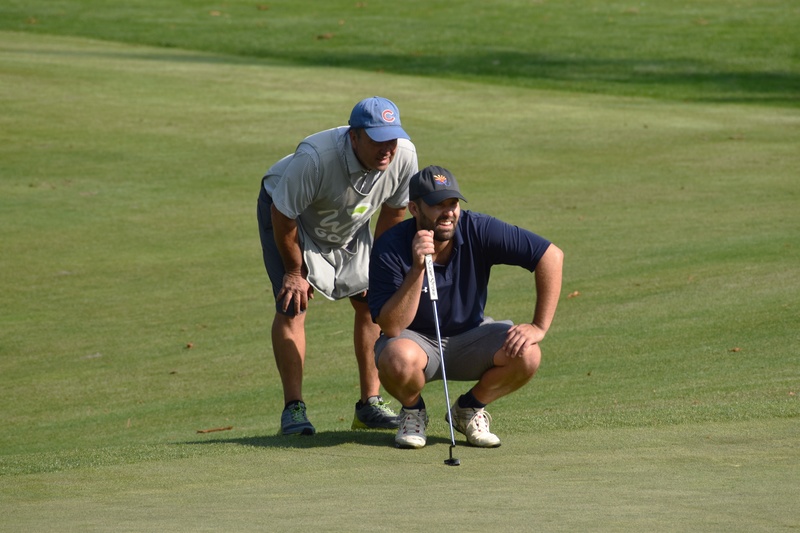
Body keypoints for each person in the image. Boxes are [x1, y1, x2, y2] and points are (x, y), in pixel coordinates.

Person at [368, 165, 564, 448]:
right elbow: (392, 326)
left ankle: (468, 409)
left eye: (453, 203)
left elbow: (550, 256)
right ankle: (413, 412)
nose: (448, 212)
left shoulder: (477, 228)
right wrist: (417, 269)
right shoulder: (390, 245)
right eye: (438, 205)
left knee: (528, 354)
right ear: (414, 208)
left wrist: (539, 326)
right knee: (396, 358)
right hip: (414, 341)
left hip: (471, 336)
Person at [257, 96, 419, 435]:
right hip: (291, 219)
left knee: (372, 302)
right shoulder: (315, 158)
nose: (387, 149)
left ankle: (369, 404)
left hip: (349, 223)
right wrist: (294, 272)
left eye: (392, 139)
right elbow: (283, 214)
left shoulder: (404, 154)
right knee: (293, 304)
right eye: (377, 140)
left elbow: (394, 211)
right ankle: (294, 409)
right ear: (354, 136)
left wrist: (379, 270)